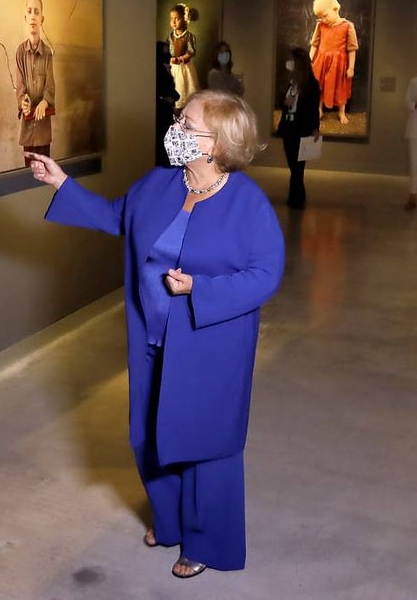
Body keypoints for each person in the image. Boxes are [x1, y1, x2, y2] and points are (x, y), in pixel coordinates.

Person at [28, 89, 285, 580]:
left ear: (217, 143)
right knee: (148, 436)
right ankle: (168, 521)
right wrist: (61, 184)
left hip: (210, 345)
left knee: (206, 445)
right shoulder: (160, 184)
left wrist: (201, 289)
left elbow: (266, 275)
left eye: (187, 125)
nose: (176, 131)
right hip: (153, 339)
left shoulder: (248, 204)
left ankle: (207, 541)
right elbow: (117, 216)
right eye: (178, 120)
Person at [277, 47, 321, 210]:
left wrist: (315, 127)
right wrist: (285, 101)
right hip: (287, 128)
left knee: (298, 165)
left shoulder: (312, 85)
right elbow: (282, 101)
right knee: (293, 164)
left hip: (301, 129)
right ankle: (299, 195)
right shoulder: (289, 82)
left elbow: (313, 108)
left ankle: (296, 198)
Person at [15, 0, 56, 157]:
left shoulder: (48, 54)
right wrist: (23, 101)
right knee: (28, 175)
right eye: (30, 11)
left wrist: (45, 102)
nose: (33, 16)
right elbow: (20, 87)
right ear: (25, 18)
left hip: (43, 131)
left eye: (37, 12)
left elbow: (51, 86)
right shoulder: (19, 52)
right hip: (27, 131)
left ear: (42, 20)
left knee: (45, 175)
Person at [309, 0, 358, 125]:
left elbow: (352, 48)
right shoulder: (320, 25)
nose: (323, 20)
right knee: (319, 86)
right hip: (321, 62)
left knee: (340, 87)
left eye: (325, 16)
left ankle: (341, 112)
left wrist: (351, 67)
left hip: (338, 64)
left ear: (335, 9)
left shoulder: (348, 26)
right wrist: (309, 60)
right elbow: (314, 44)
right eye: (320, 17)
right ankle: (318, 109)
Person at [166, 3, 199, 108]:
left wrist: (180, 59)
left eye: (177, 19)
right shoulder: (170, 37)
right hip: (172, 66)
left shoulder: (189, 36)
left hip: (184, 68)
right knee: (172, 87)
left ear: (184, 20)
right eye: (172, 19)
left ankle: (184, 108)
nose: (174, 21)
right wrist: (169, 59)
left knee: (184, 89)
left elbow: (190, 51)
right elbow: (166, 50)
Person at [406, 75, 417, 210]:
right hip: (415, 129)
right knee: (414, 163)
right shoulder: (414, 81)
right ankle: (413, 195)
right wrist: (414, 104)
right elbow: (407, 101)